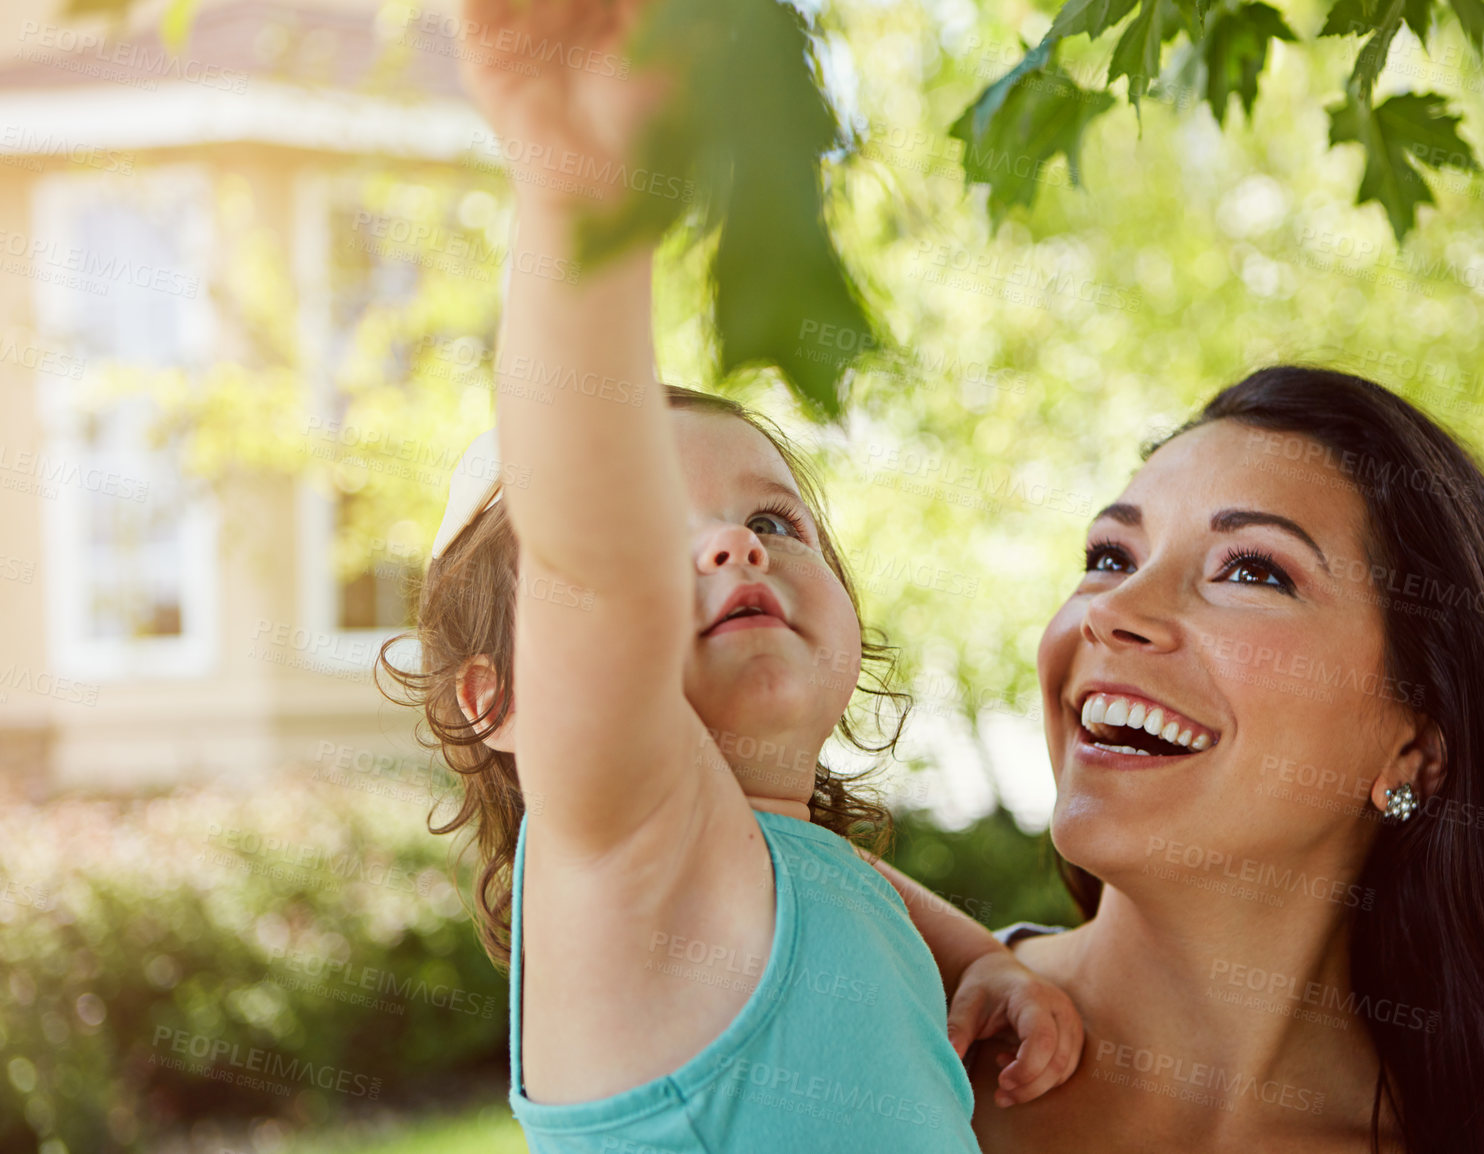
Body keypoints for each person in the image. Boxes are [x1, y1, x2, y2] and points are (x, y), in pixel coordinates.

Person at [378, 0, 1081, 1149]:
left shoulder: (775, 866)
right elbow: (591, 569)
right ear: (495, 696)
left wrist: (988, 958)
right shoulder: (626, 850)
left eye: (775, 518)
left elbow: (844, 877)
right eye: (659, 525)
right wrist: (575, 178)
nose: (737, 545)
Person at [970, 366, 1484, 1154]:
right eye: (1110, 554)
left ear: (1413, 750)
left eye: (1251, 570)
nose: (1112, 610)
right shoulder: (882, 1009)